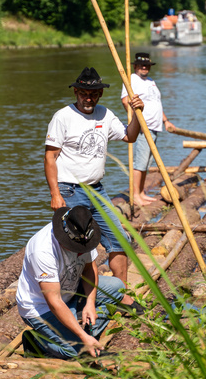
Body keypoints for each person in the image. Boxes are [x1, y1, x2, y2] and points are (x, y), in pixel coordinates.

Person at [44, 66, 145, 312]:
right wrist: (55, 194)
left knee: (119, 240)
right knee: (76, 247)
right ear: (77, 91)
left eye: (94, 93)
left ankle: (121, 297)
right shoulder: (63, 117)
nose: (89, 98)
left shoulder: (105, 114)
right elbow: (50, 158)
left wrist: (137, 113)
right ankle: (71, 300)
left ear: (100, 94)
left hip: (97, 190)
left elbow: (130, 137)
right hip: (70, 190)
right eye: (84, 93)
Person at [16, 205, 124, 359]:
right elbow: (54, 302)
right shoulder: (42, 250)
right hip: (42, 307)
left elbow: (89, 269)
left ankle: (84, 336)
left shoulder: (83, 232)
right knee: (76, 352)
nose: (80, 251)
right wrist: (82, 336)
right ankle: (36, 341)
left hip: (70, 291)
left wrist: (90, 303)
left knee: (117, 287)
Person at [121, 52, 175, 205]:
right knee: (140, 161)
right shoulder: (132, 79)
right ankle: (135, 195)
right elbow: (126, 101)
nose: (144, 67)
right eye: (141, 65)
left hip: (155, 126)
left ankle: (141, 192)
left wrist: (166, 121)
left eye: (147, 65)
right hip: (144, 126)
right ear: (135, 66)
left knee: (147, 162)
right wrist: (137, 121)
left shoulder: (151, 81)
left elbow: (156, 103)